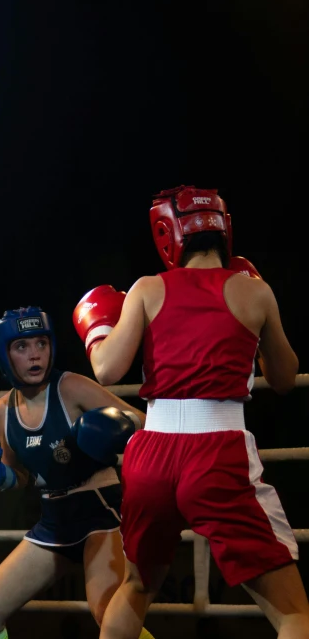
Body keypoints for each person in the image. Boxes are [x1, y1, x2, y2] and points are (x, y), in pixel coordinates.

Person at [73, 184, 309, 639]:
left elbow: (106, 370)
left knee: (138, 586)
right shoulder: (253, 292)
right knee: (295, 615)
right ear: (224, 232)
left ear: (169, 233)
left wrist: (97, 329)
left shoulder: (146, 289)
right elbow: (283, 379)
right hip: (217, 456)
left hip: (150, 459)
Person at [0, 307, 156, 639]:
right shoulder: (2, 412)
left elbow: (143, 421)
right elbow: (20, 473)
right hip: (54, 520)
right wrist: (0, 477)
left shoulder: (71, 388)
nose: (35, 355)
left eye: (41, 343)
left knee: (110, 615)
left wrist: (120, 426)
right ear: (3, 355)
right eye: (22, 347)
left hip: (100, 511)